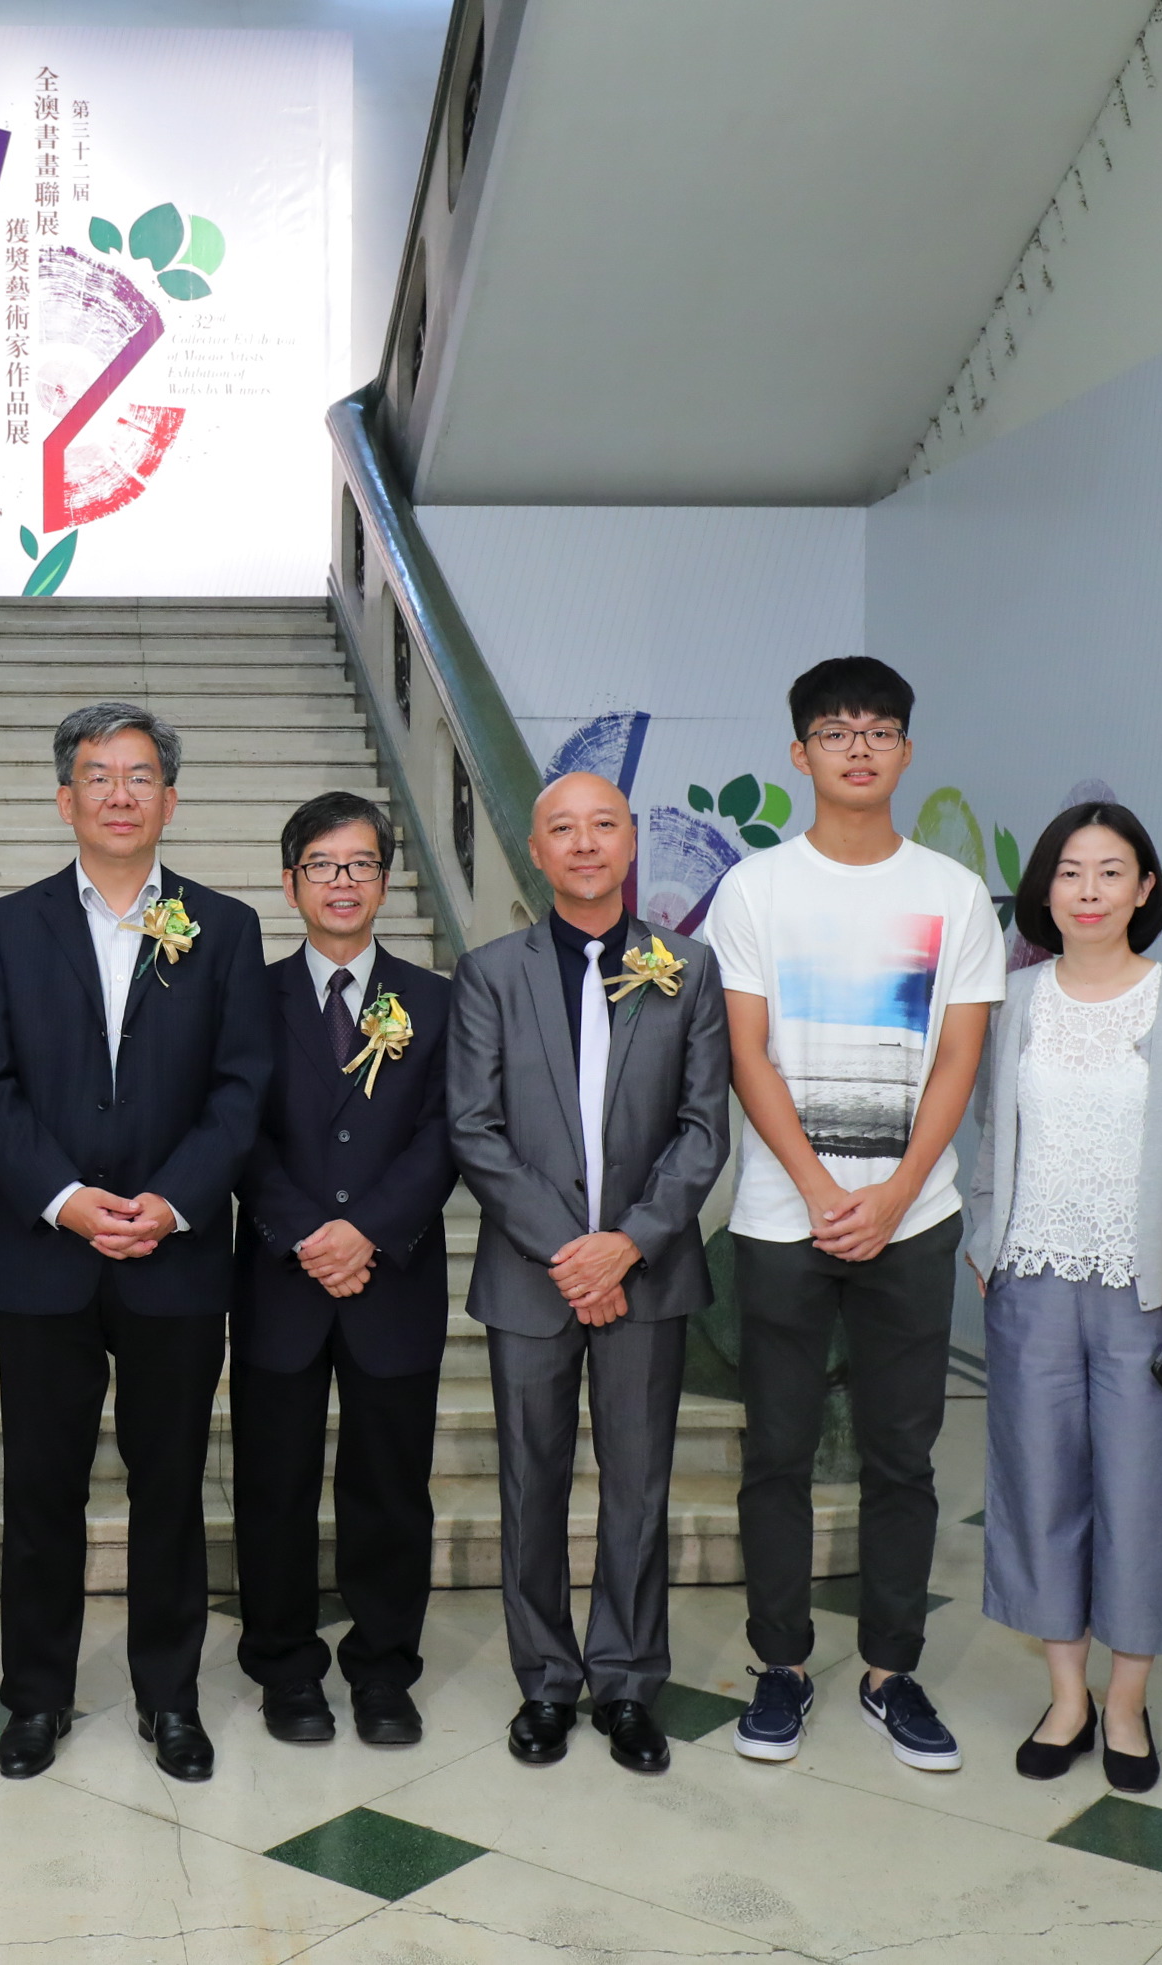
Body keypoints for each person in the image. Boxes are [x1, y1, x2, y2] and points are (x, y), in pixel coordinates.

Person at [704, 656, 1003, 1773]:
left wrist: (891, 1195)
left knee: (901, 1456)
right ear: (801, 754)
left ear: (906, 751)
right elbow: (746, 1050)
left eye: (879, 731)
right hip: (784, 1218)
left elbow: (959, 1059)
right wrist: (825, 1191)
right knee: (776, 1452)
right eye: (836, 731)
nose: (859, 748)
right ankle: (779, 1667)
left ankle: (889, 1671)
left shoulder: (953, 894)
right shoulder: (755, 890)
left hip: (912, 1221)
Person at [0, 702, 271, 1782]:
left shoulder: (224, 927)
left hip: (173, 1253)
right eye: (97, 776)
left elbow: (240, 1088)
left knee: (171, 1486)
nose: (119, 794)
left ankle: (169, 1699)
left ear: (170, 800)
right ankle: (35, 1698)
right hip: (45, 1253)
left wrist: (171, 1201)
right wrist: (65, 1198)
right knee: (40, 1491)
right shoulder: (5, 926)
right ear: (65, 799)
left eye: (140, 776)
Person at [449, 772, 730, 1774]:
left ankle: (625, 1682)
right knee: (531, 1481)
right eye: (561, 828)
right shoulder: (489, 973)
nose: (582, 843)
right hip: (533, 1276)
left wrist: (628, 1243)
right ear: (535, 850)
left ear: (629, 843)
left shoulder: (687, 968)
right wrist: (573, 1252)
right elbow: (474, 1130)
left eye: (601, 825)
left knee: (637, 1485)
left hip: (645, 1274)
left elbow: (703, 1129)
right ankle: (545, 1680)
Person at [964, 803, 1162, 1794]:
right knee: (1039, 1489)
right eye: (1070, 872)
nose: (1088, 890)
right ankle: (1066, 1698)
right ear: (1045, 889)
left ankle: (1125, 1704)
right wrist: (985, 1240)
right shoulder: (1011, 1002)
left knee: (1143, 1495)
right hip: (1029, 1282)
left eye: (1110, 871)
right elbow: (988, 1130)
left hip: (1144, 1295)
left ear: (1144, 888)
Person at [231, 792, 456, 1751]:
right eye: (321, 864)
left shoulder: (435, 1000)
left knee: (389, 1488)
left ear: (385, 880)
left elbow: (446, 1133)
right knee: (272, 1486)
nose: (342, 881)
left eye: (360, 863)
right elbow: (232, 1128)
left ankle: (383, 1668)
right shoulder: (246, 996)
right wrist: (302, 1232)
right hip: (280, 1281)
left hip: (391, 1279)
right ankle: (283, 1666)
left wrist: (366, 1230)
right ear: (290, 883)